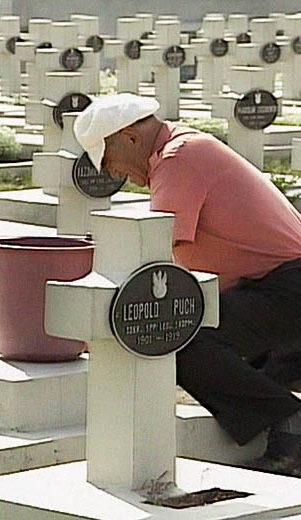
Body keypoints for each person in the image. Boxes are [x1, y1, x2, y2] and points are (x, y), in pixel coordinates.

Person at [74, 92, 301, 476]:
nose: (115, 175)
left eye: (110, 160)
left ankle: (290, 425)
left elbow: (157, 256)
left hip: (287, 288)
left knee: (173, 337)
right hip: (274, 287)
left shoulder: (177, 159)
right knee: (213, 343)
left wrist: (100, 317)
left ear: (129, 136)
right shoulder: (185, 147)